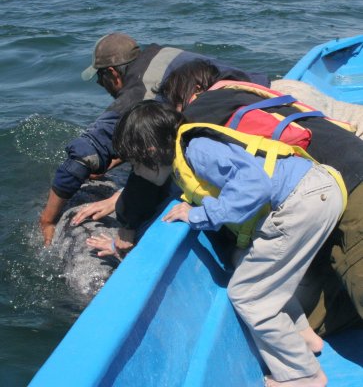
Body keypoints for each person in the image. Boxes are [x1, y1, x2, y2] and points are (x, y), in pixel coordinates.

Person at [92, 100, 345, 386]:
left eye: (135, 164)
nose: (136, 172)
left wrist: (200, 215)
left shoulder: (198, 150)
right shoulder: (182, 155)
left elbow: (255, 186)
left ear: (150, 151)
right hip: (316, 192)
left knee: (248, 295)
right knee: (250, 265)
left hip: (303, 200)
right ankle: (301, 336)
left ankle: (303, 375)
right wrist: (119, 245)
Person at [39, 32, 269, 246]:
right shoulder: (164, 55)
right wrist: (114, 159)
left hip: (249, 158)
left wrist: (48, 220)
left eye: (101, 79)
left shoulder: (137, 95)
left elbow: (83, 155)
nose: (103, 86)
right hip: (265, 105)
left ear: (112, 74)